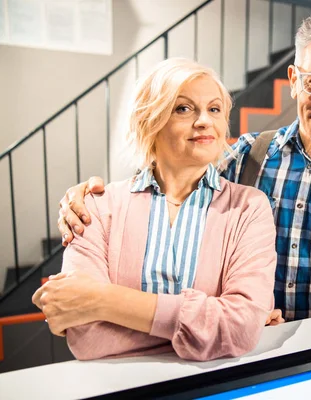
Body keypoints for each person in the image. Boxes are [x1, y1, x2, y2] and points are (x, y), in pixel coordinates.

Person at [57, 11, 311, 352]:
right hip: (238, 355)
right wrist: (90, 196)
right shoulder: (246, 156)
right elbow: (171, 176)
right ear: (294, 81)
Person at [32, 58, 277, 361]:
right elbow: (87, 338)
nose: (204, 121)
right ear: (151, 120)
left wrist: (101, 299)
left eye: (214, 109)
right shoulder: (95, 205)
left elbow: (239, 328)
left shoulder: (248, 208)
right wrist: (209, 330)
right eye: (183, 109)